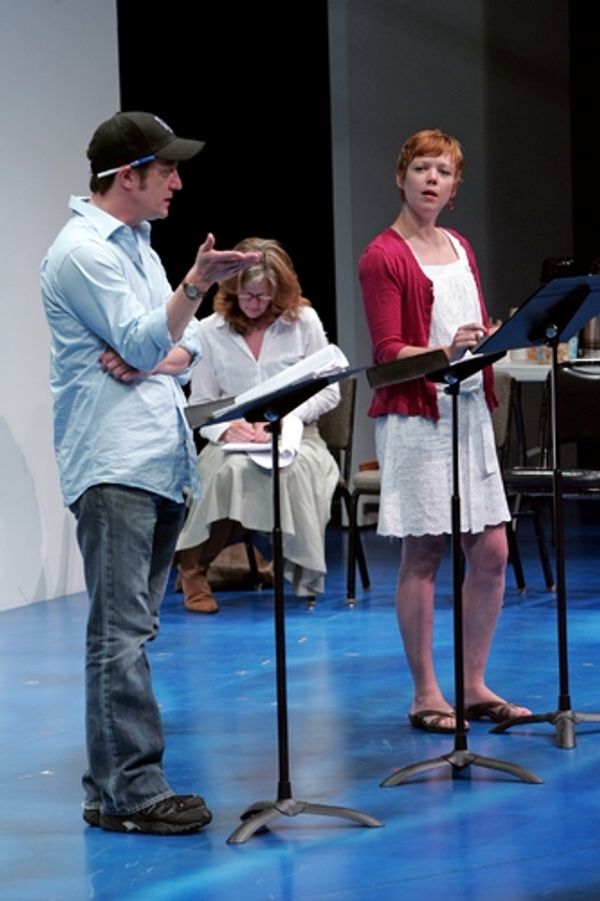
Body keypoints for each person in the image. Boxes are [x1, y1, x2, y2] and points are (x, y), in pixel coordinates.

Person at [40, 111, 261, 834]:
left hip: (155, 456)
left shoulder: (135, 244)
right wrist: (189, 290)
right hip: (114, 462)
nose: (177, 179)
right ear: (127, 175)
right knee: (121, 634)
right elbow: (148, 334)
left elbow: (182, 346)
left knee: (132, 629)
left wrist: (160, 345)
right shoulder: (81, 253)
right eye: (165, 168)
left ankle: (111, 785)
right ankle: (132, 790)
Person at [358, 128, 531, 733]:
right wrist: (444, 348)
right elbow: (387, 354)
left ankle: (472, 683)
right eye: (422, 168)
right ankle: (427, 694)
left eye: (444, 171)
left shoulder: (459, 245)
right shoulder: (382, 255)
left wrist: (484, 338)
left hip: (468, 412)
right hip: (417, 416)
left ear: (455, 188)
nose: (432, 179)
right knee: (425, 552)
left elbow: (469, 327)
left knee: (491, 550)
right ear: (402, 177)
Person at [175, 237, 341, 613]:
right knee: (231, 471)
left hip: (297, 438)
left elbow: (329, 392)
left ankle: (298, 571)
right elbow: (200, 405)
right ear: (232, 290)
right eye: (246, 296)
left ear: (279, 293)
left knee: (292, 475)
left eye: (264, 297)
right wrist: (225, 429)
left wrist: (286, 419)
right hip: (234, 439)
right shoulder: (209, 330)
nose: (254, 305)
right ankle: (193, 570)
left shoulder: (303, 322)